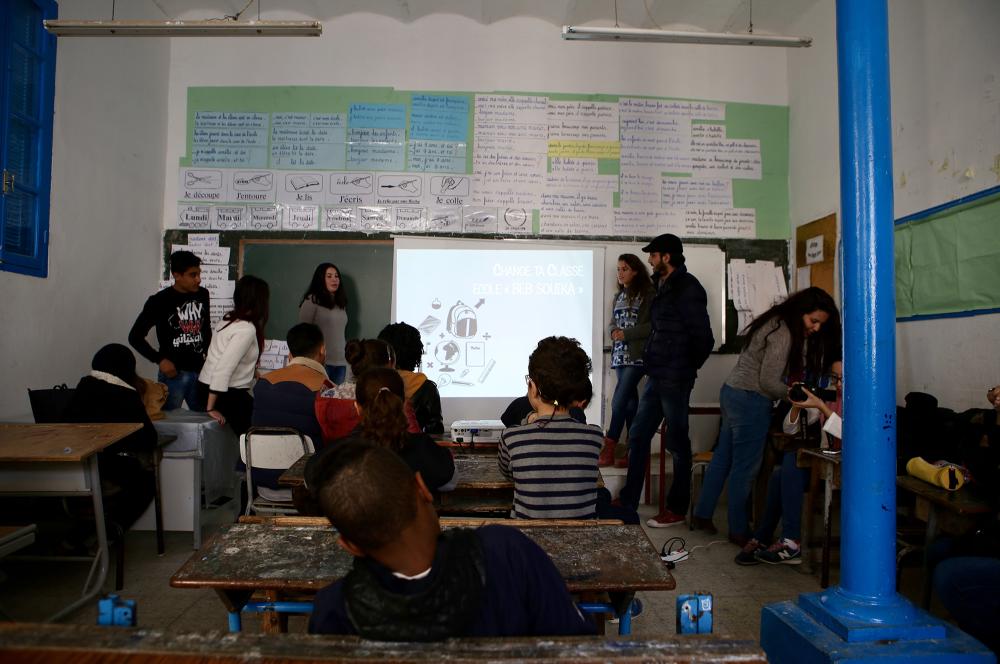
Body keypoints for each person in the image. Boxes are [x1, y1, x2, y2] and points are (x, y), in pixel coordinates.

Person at [308, 442, 594, 638]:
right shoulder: (507, 553)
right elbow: (577, 643)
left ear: (350, 545)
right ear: (423, 488)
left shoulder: (333, 609)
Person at [693, 287, 840, 552]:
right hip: (750, 399)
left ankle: (702, 514)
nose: (816, 328)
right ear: (801, 313)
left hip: (732, 392)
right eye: (813, 321)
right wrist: (799, 396)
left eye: (820, 324)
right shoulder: (784, 333)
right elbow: (768, 382)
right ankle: (739, 529)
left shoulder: (775, 321)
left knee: (723, 458)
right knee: (745, 469)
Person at [617, 234, 715, 528]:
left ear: (667, 257)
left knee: (677, 443)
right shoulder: (662, 285)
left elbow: (704, 338)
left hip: (674, 377)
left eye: (653, 255)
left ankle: (675, 509)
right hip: (657, 374)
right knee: (637, 435)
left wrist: (684, 368)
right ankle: (628, 501)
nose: (649, 260)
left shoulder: (688, 287)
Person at [498, 336, 637, 524]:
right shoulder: (594, 437)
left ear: (533, 388)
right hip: (582, 544)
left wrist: (528, 421)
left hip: (528, 545)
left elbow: (509, 474)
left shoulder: (511, 438)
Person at [737, 360, 843, 566]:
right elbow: (790, 430)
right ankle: (766, 537)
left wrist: (821, 406)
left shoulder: (860, 399)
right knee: (781, 472)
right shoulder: (829, 396)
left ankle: (789, 541)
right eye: (835, 378)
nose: (838, 384)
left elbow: (848, 433)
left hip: (846, 469)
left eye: (842, 379)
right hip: (826, 462)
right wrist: (797, 406)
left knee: (790, 463)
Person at [307, 368, 455, 494]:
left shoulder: (335, 456)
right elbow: (451, 482)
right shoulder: (426, 450)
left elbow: (310, 480)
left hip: (356, 527)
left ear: (357, 407)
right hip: (411, 526)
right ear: (403, 404)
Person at [63, 344, 157, 531]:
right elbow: (148, 438)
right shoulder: (125, 394)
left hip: (71, 473)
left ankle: (83, 535)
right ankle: (107, 534)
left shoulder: (81, 389)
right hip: (105, 471)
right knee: (145, 482)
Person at [128, 250, 211, 410]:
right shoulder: (159, 301)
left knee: (206, 419)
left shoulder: (202, 294)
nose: (198, 280)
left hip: (201, 372)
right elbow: (135, 337)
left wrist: (209, 360)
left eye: (199, 274)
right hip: (174, 375)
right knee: (169, 424)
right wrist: (160, 360)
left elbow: (205, 329)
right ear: (177, 275)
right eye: (192, 275)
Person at [198, 275, 270, 436]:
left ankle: (246, 459)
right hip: (223, 393)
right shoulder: (246, 329)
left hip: (209, 387)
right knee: (257, 434)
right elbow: (223, 368)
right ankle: (249, 461)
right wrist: (211, 408)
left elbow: (224, 356)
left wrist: (253, 373)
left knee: (258, 422)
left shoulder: (229, 319)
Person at [602, 253, 654, 468]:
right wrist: (614, 331)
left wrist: (627, 334)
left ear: (635, 271)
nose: (620, 273)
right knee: (630, 402)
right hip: (619, 353)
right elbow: (613, 322)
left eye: (624, 269)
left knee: (619, 400)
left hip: (637, 355)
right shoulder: (619, 295)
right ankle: (632, 450)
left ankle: (611, 444)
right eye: (618, 269)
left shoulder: (649, 294)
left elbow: (652, 326)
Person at [252, 322, 331, 452]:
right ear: (322, 349)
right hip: (305, 468)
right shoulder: (326, 389)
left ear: (290, 354)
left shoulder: (262, 383)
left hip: (257, 465)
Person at [378, 322, 444, 435]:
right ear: (416, 352)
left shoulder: (371, 383)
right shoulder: (427, 388)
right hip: (416, 449)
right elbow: (436, 429)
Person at [299, 263, 349, 384]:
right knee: (319, 400)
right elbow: (303, 331)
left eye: (336, 276)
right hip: (320, 362)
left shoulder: (341, 303)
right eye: (329, 276)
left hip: (341, 361)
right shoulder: (312, 300)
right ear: (321, 279)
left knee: (336, 400)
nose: (334, 279)